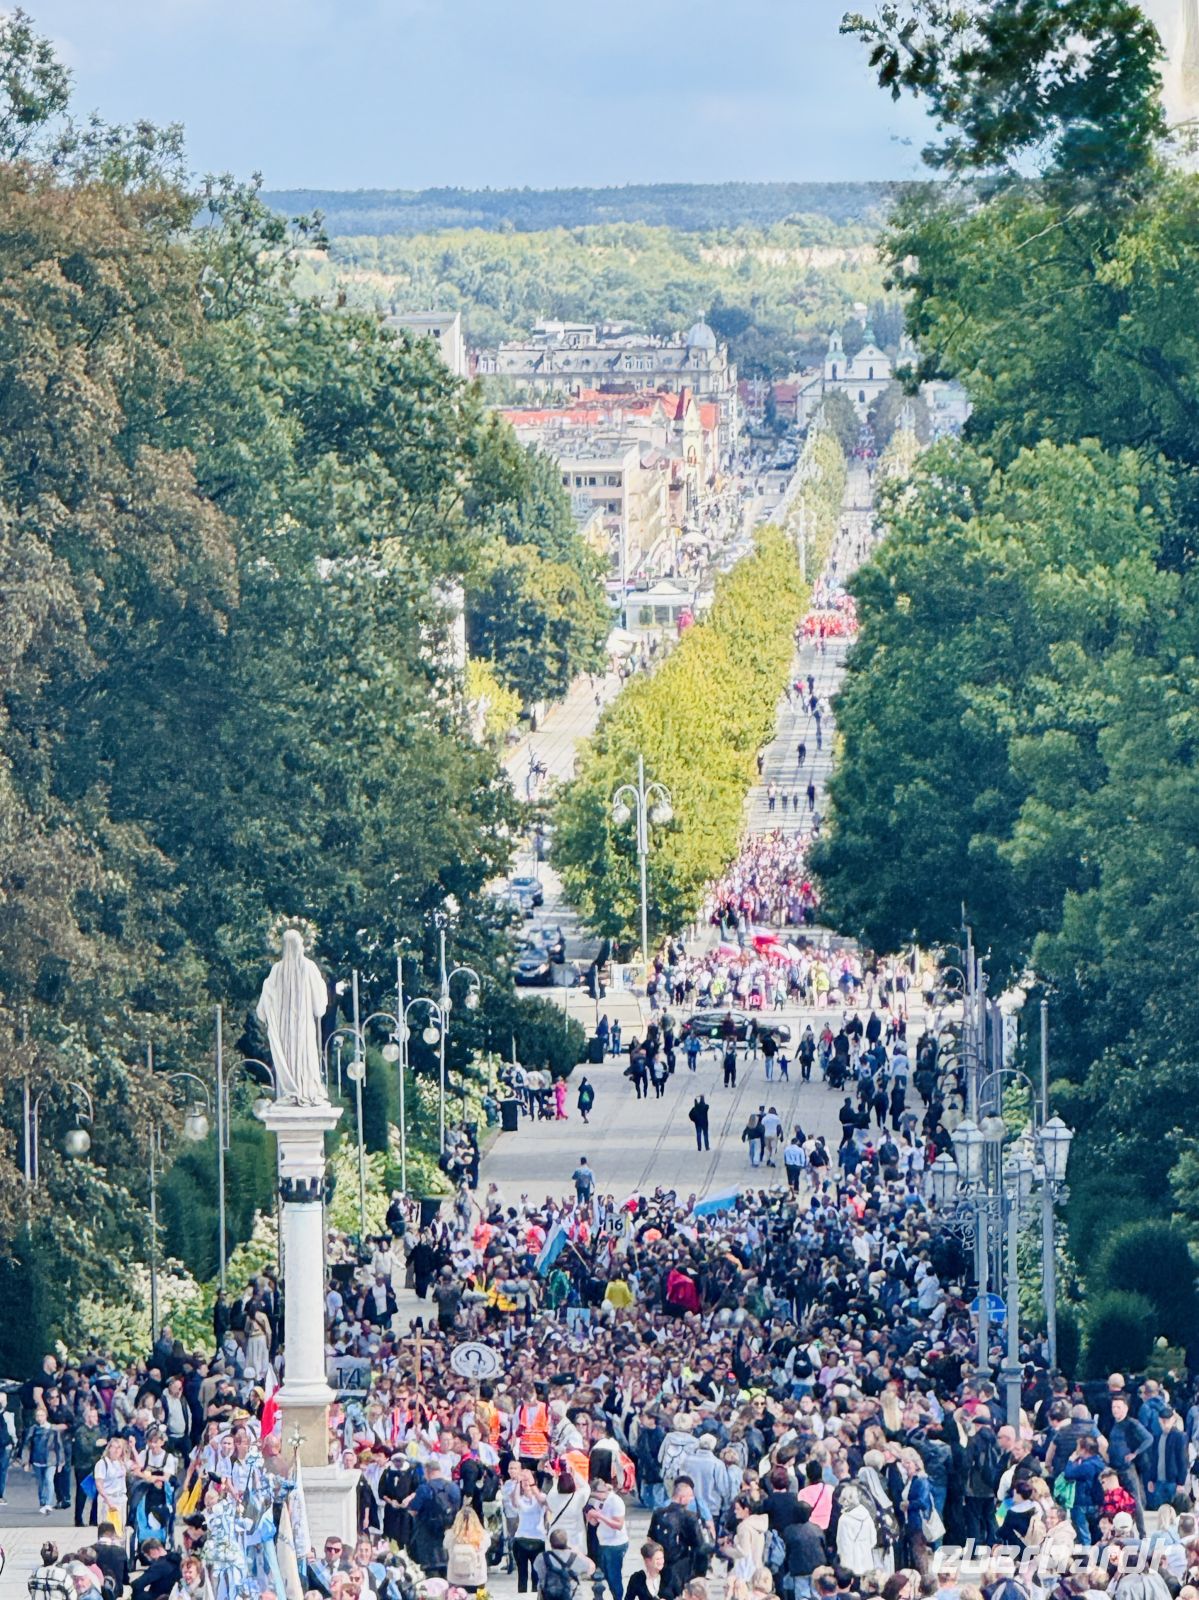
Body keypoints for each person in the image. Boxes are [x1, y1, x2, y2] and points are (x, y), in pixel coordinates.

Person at [585, 1474, 628, 1600]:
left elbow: (618, 1525)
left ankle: (618, 1597)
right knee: (606, 1574)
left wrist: (599, 1516)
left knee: (614, 1575)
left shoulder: (615, 1501)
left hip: (616, 1543)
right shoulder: (598, 1502)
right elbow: (595, 1523)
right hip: (603, 1542)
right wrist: (590, 1516)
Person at [533, 1528, 594, 1600]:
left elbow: (536, 1568)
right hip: (572, 1597)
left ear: (550, 1543)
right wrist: (579, 1553)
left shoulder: (542, 1557)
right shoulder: (574, 1557)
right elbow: (591, 1568)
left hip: (547, 1596)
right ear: (566, 1542)